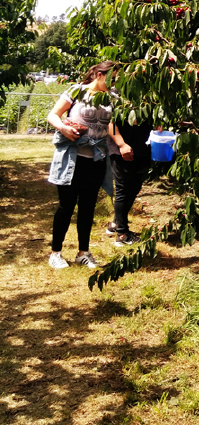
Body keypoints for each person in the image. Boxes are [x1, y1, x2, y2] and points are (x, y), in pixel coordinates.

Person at [46, 60, 116, 269]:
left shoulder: (113, 99)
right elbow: (53, 115)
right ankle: (55, 253)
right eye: (112, 77)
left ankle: (83, 252)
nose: (115, 83)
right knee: (66, 206)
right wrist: (63, 128)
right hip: (71, 158)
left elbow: (112, 125)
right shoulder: (77, 92)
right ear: (99, 75)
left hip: (96, 160)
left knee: (88, 207)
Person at [106, 115, 152, 245]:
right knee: (123, 189)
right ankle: (122, 234)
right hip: (121, 149)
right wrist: (121, 144)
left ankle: (115, 223)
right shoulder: (117, 97)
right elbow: (110, 123)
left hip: (140, 148)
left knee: (134, 187)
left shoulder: (149, 97)